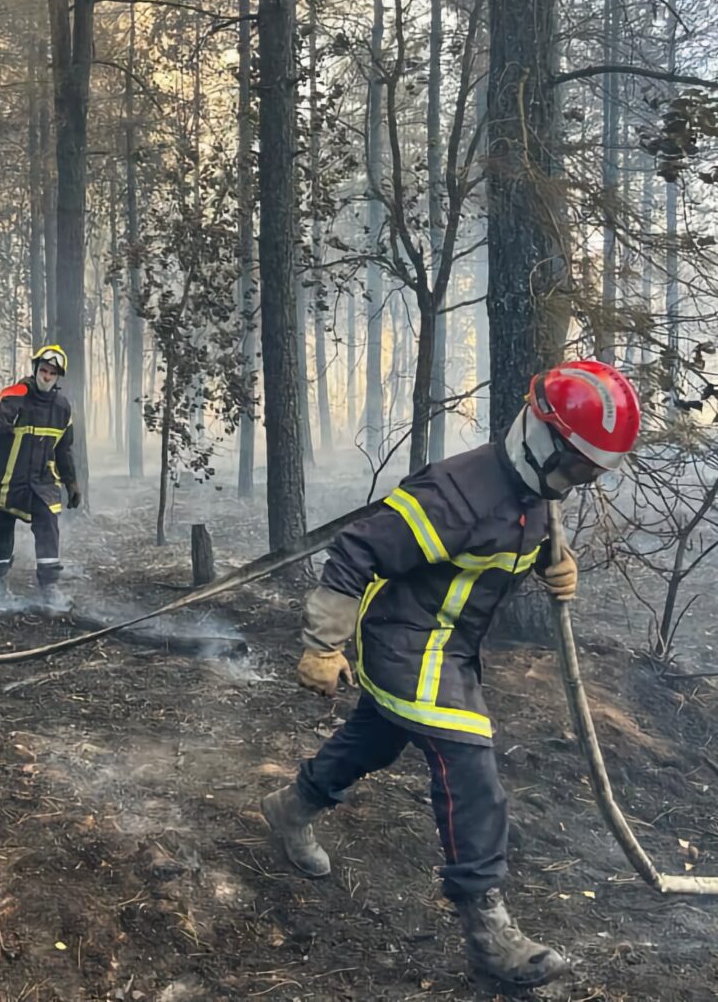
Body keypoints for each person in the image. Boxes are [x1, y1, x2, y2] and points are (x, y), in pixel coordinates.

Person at [260, 360, 641, 988]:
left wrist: (553, 555)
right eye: (575, 468)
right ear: (540, 439)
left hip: (450, 648)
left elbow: (520, 527)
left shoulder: (536, 493)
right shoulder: (454, 495)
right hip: (407, 643)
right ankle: (489, 931)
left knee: (376, 740)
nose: (576, 484)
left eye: (588, 475)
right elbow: (357, 550)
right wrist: (323, 644)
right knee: (470, 770)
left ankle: (291, 805)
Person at [0, 344, 81, 610]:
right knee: (2, 528)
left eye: (52, 373)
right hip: (8, 479)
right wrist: (6, 415)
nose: (46, 376)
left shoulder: (62, 408)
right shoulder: (17, 397)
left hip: (41, 482)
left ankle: (49, 588)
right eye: (43, 370)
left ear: (58, 377)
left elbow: (64, 449)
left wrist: (71, 482)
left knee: (48, 524)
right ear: (36, 369)